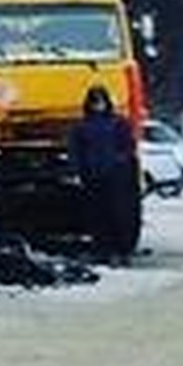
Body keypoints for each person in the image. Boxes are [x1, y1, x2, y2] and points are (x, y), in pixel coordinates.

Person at [68, 84, 141, 264]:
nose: (97, 105)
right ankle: (101, 249)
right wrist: (78, 170)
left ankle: (121, 250)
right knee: (96, 215)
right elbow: (76, 150)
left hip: (117, 177)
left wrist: (121, 163)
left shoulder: (118, 123)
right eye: (94, 102)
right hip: (93, 176)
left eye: (100, 101)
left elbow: (129, 147)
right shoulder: (81, 126)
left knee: (120, 214)